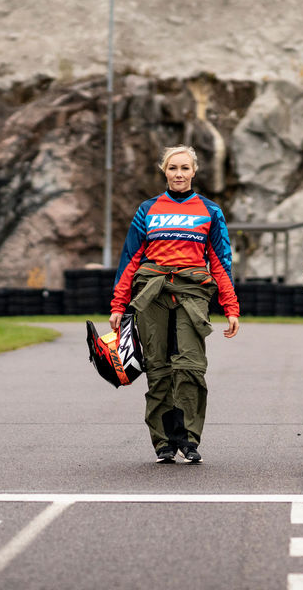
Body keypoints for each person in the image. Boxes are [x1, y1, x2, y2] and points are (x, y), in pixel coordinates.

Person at [110, 145, 240, 464]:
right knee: (158, 367)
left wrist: (231, 307)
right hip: (151, 290)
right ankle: (163, 442)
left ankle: (189, 438)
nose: (179, 174)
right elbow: (131, 257)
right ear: (163, 171)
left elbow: (221, 260)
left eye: (184, 168)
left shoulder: (210, 210)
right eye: (172, 168)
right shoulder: (148, 209)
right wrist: (118, 303)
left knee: (190, 365)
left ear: (194, 171)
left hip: (193, 291)